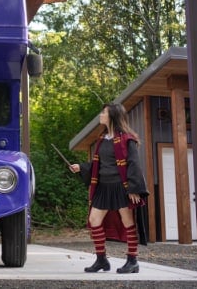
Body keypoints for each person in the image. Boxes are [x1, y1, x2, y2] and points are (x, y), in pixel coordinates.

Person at [69, 103, 148, 274]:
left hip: (121, 187)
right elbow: (98, 164)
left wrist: (134, 188)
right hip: (103, 187)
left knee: (128, 222)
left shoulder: (127, 139)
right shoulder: (101, 139)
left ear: (112, 116)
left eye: (103, 112)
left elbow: (134, 164)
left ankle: (132, 260)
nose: (101, 115)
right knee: (94, 220)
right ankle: (101, 260)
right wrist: (81, 168)